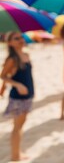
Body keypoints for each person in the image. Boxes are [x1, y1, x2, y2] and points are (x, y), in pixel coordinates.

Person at [1, 32, 34, 161]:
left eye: (21, 37)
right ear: (10, 43)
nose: (20, 40)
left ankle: (18, 152)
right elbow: (3, 75)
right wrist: (17, 85)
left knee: (21, 124)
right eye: (16, 39)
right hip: (18, 97)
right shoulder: (12, 59)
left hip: (28, 95)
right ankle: (15, 156)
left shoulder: (26, 55)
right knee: (17, 126)